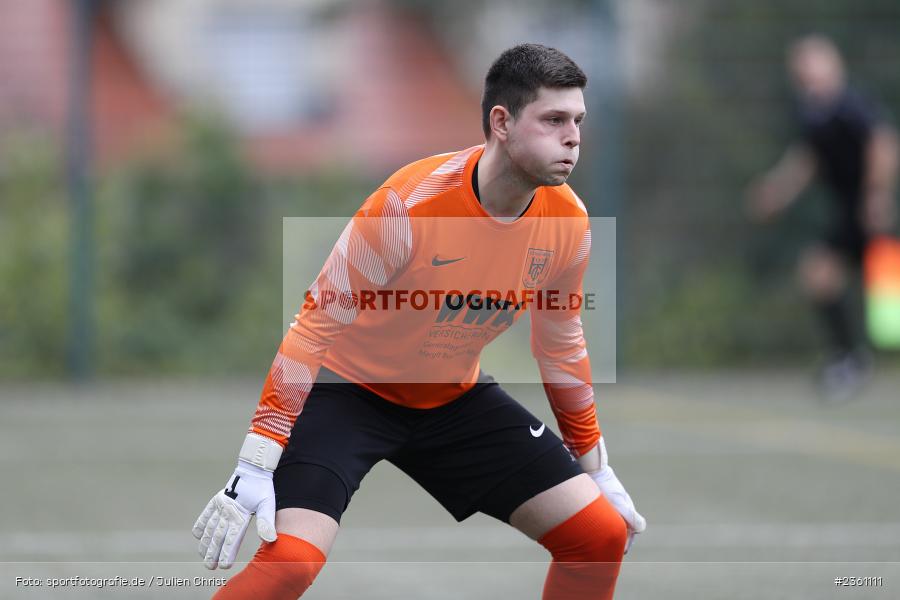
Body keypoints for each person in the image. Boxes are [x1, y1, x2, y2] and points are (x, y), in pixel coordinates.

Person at [192, 43, 645, 599]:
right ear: (500, 122)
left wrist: (594, 464)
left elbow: (561, 344)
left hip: (451, 400)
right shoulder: (410, 204)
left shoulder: (569, 224)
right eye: (553, 120)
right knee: (290, 563)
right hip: (347, 395)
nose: (573, 136)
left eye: (578, 120)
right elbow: (315, 324)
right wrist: (255, 459)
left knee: (598, 536)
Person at [747, 34, 899, 401]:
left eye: (813, 64)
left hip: (876, 211)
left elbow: (883, 143)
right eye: (800, 67)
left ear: (834, 67)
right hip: (850, 214)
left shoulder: (850, 105)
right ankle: (850, 360)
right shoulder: (813, 114)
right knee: (818, 274)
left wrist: (877, 195)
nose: (806, 73)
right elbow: (808, 160)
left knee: (890, 310)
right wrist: (777, 191)